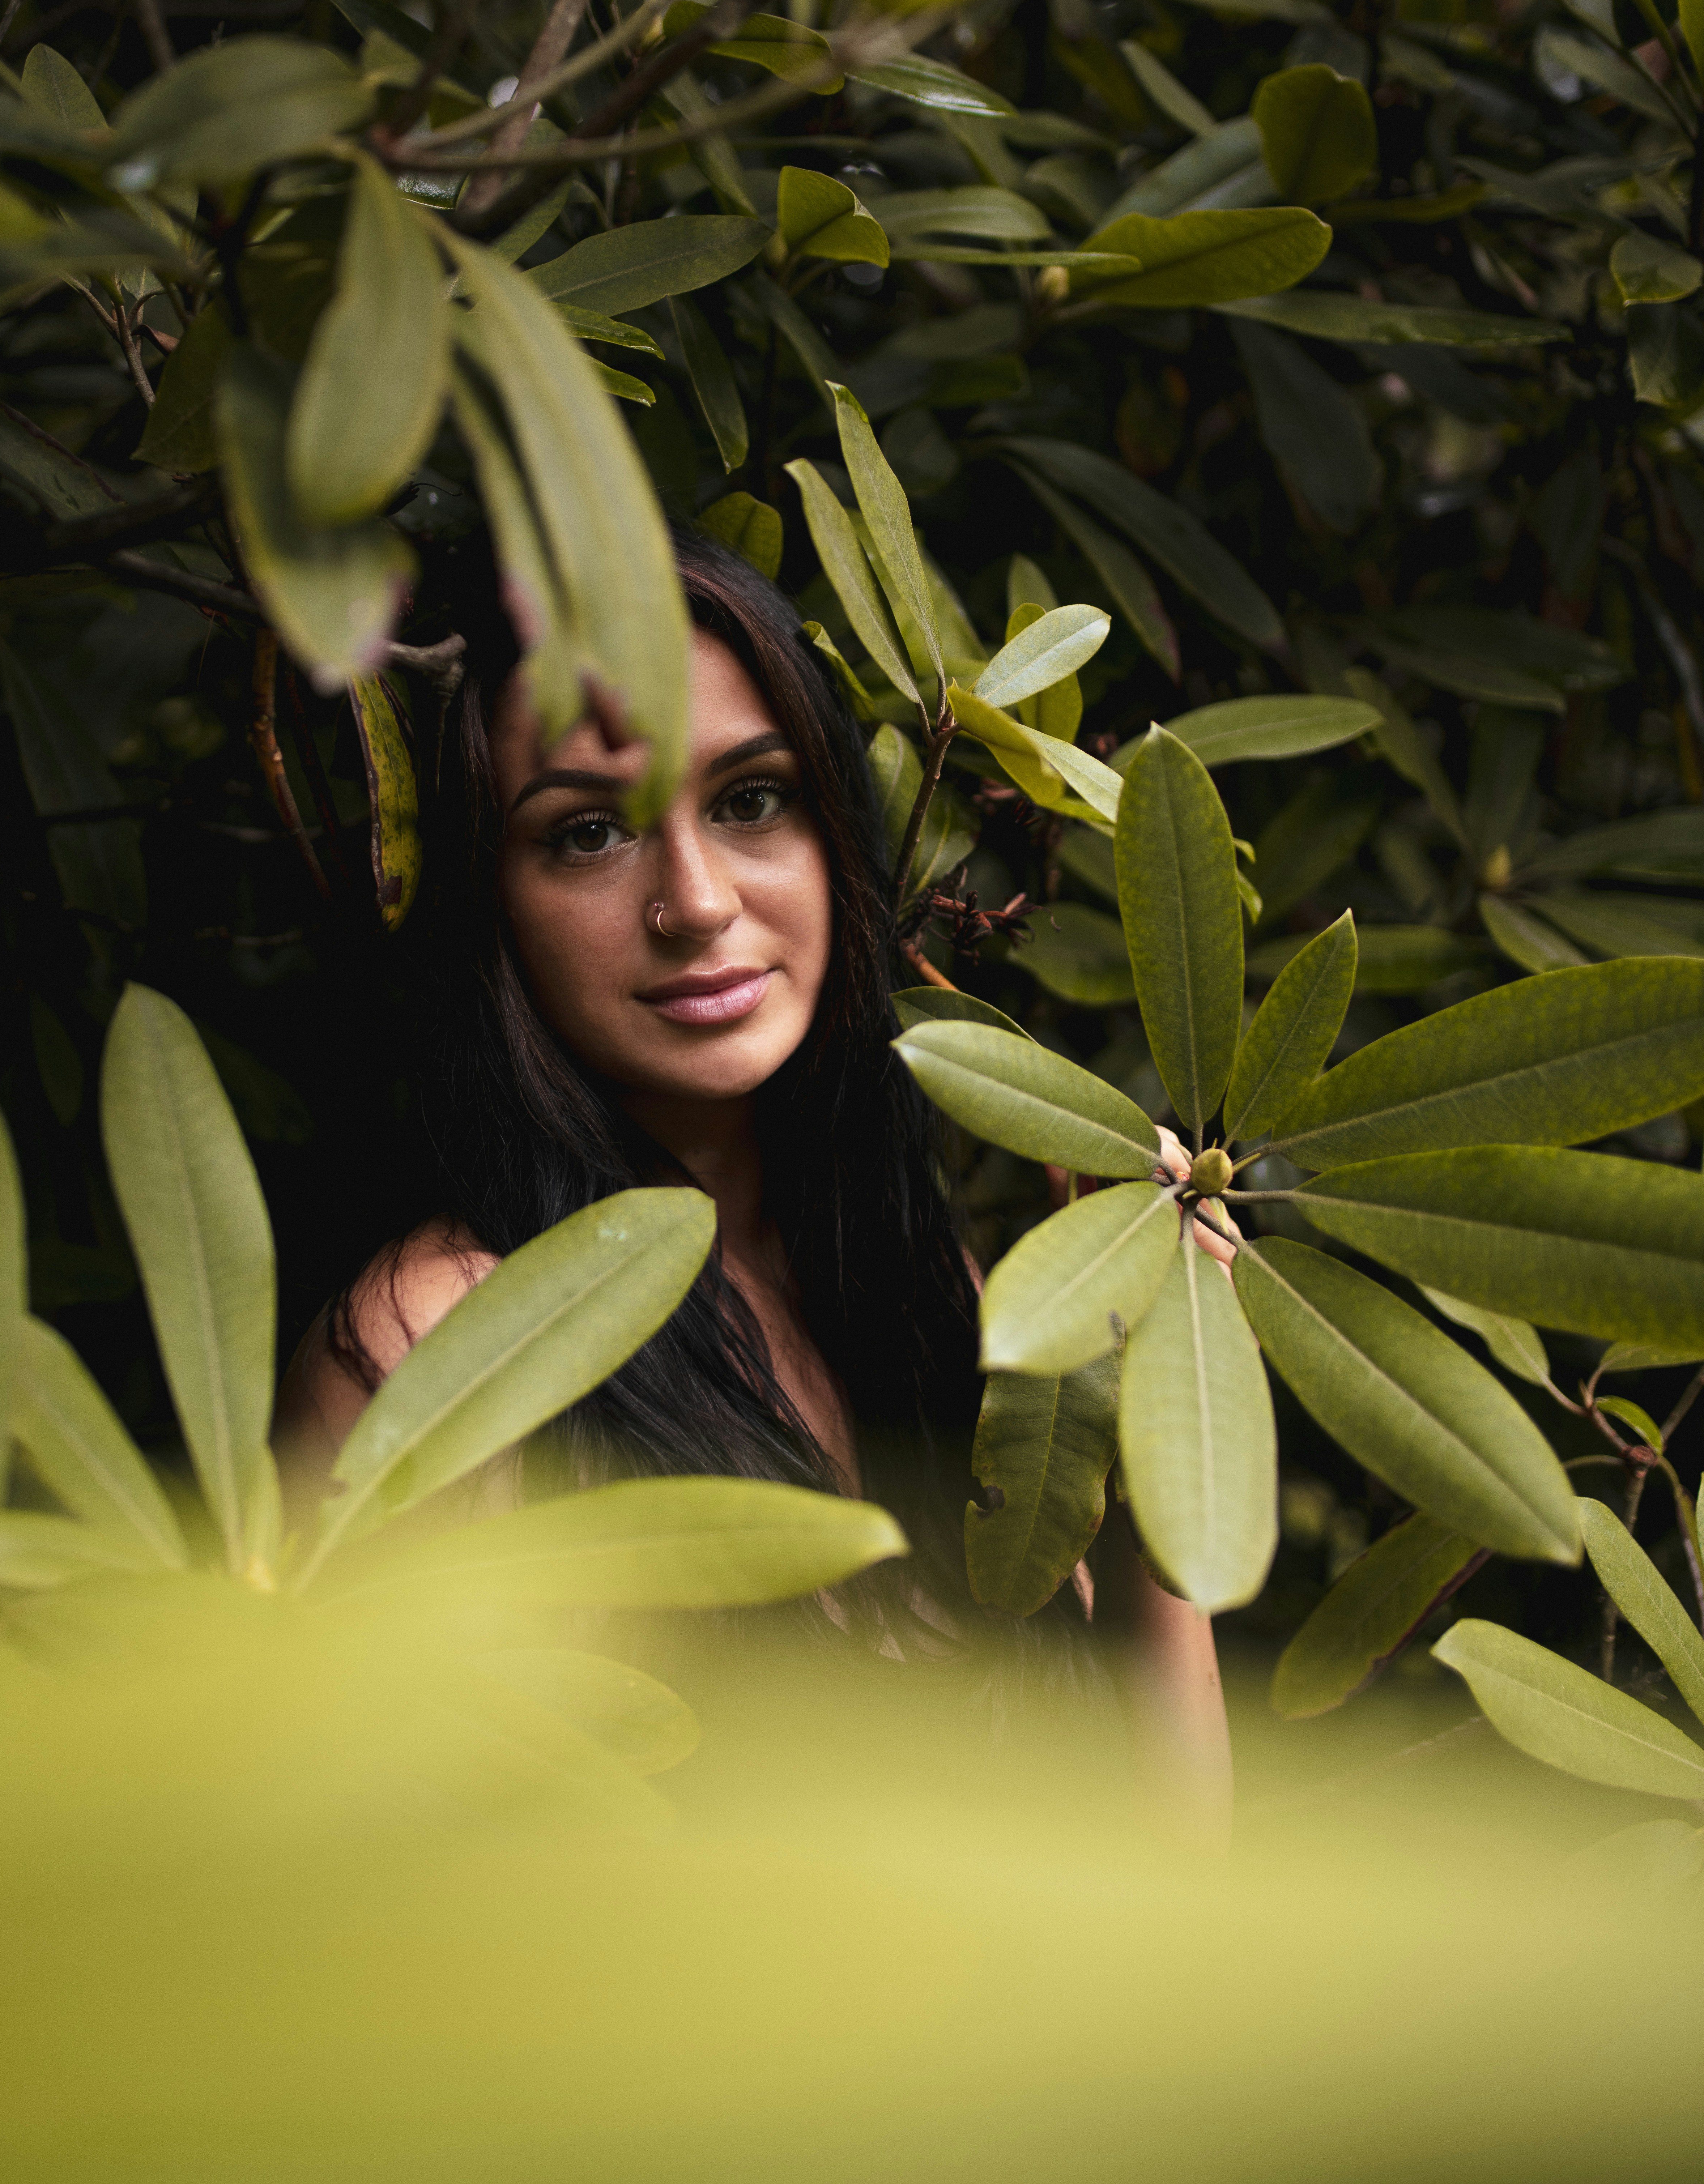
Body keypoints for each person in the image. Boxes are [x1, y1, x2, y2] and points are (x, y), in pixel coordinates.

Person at [278, 532, 1231, 1819]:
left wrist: (1150, 1415)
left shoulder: (922, 1294)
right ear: (492, 908)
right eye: (588, 832)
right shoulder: (436, 1356)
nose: (697, 900)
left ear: (834, 830)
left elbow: (1171, 1879)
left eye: (748, 800)